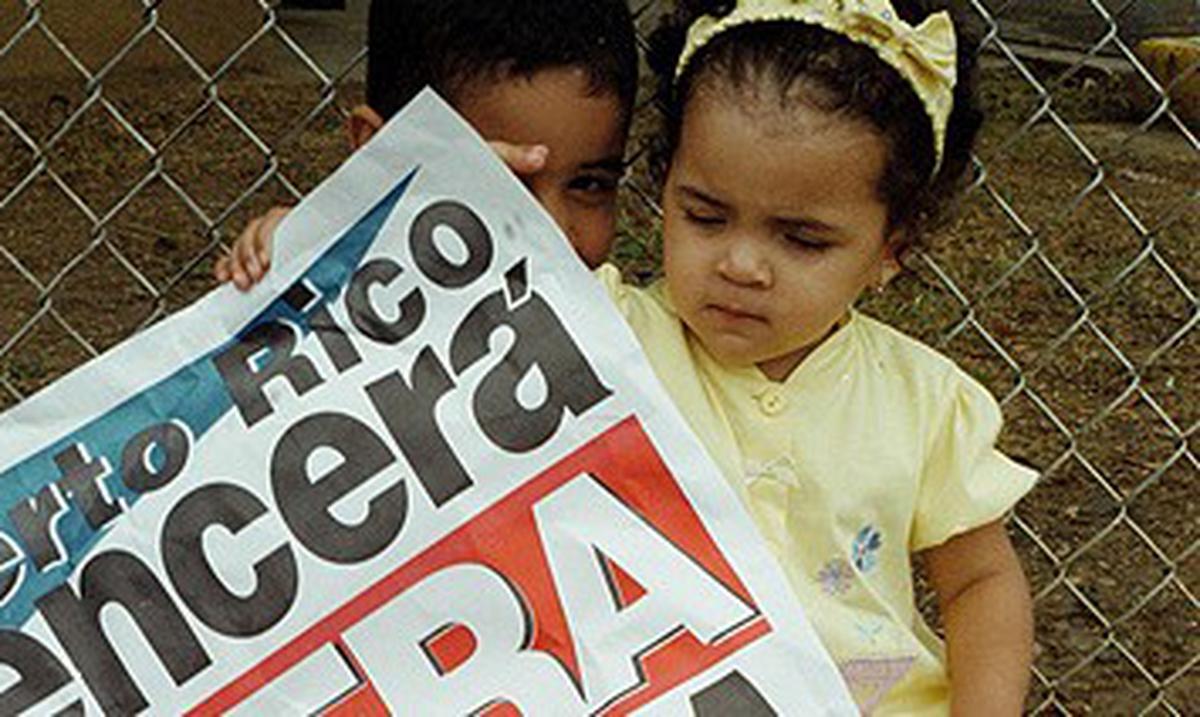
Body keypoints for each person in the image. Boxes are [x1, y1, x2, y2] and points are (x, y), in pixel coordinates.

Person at [593, 0, 1037, 713]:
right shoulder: (607, 337)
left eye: (801, 239)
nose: (741, 263)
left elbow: (980, 581)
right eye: (704, 215)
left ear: (892, 249)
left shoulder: (923, 401)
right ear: (665, 184)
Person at [215, 0, 638, 289]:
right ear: (379, 156)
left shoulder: (639, 335)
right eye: (498, 182)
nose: (554, 237)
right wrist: (297, 261)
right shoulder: (336, 302)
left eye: (590, 185)